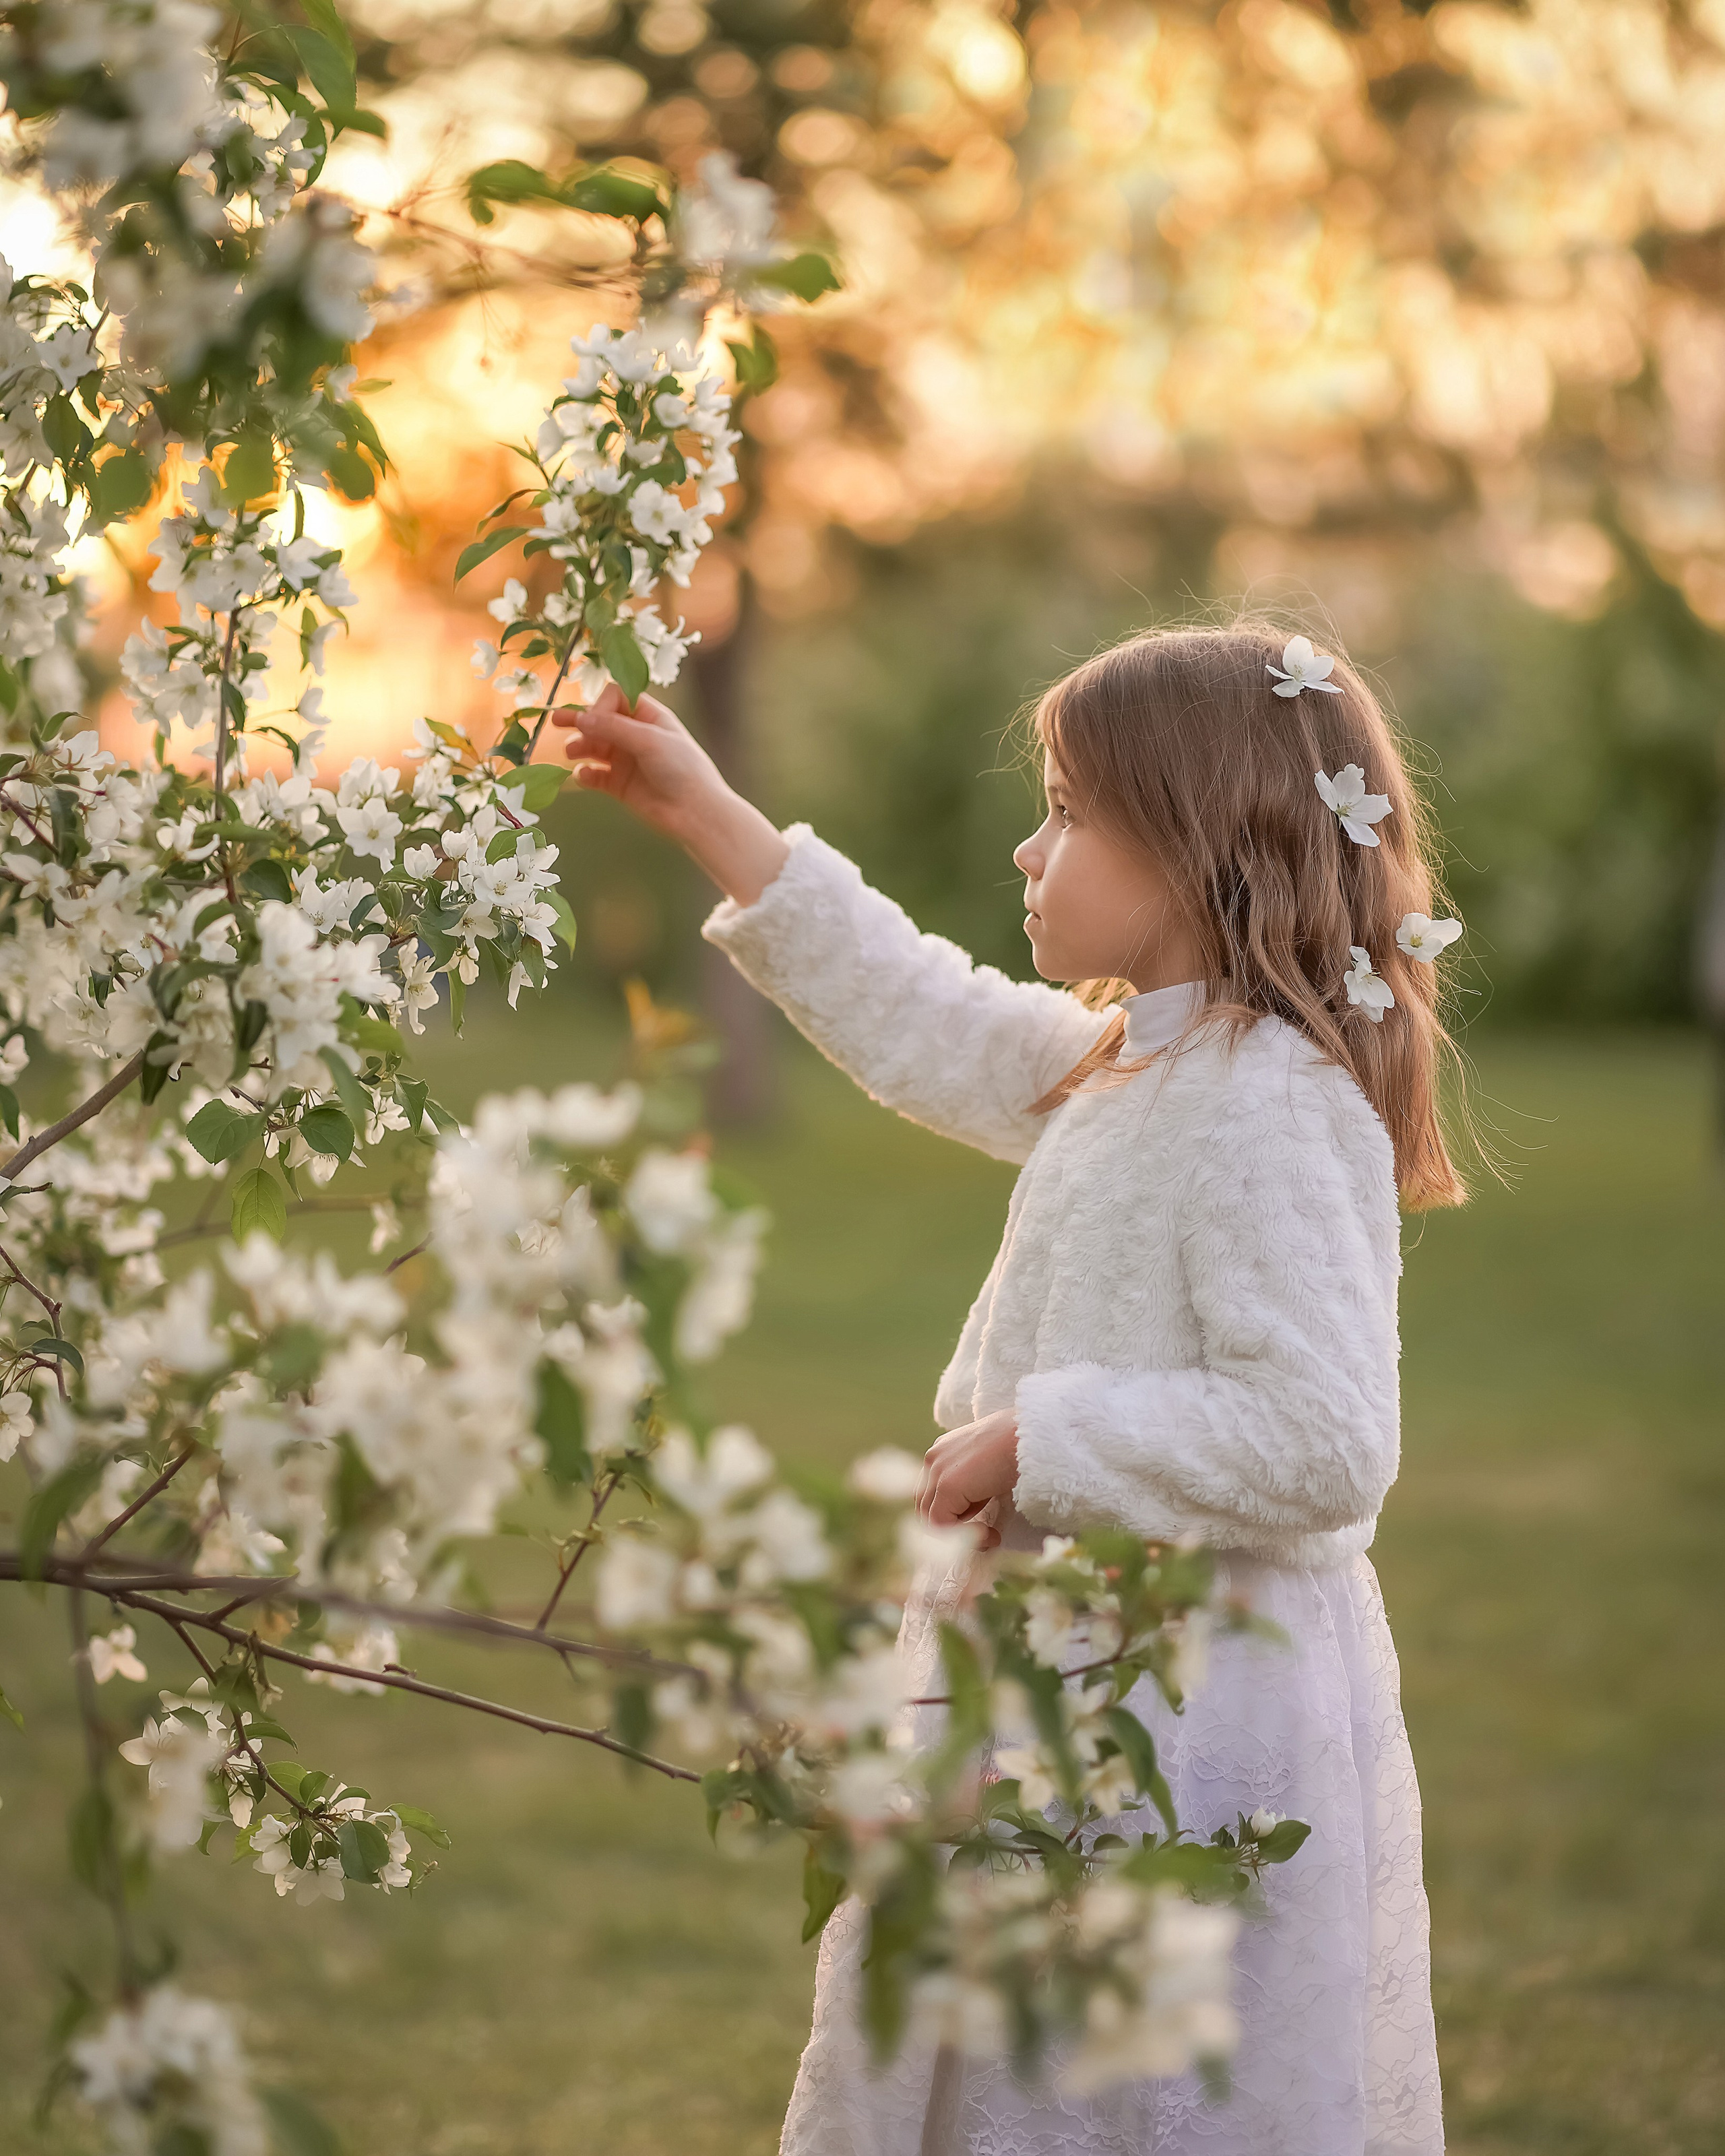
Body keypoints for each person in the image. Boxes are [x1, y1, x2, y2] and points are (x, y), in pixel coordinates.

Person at [554, 617, 1461, 2156]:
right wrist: (707, 813)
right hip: (1064, 1674)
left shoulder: (1273, 1102)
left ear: (1195, 846)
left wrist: (1043, 1438)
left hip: (1184, 1709)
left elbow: (1324, 1438)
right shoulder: (1136, 1062)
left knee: (1129, 2092)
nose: (1029, 849)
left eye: (1067, 813)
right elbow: (925, 1014)